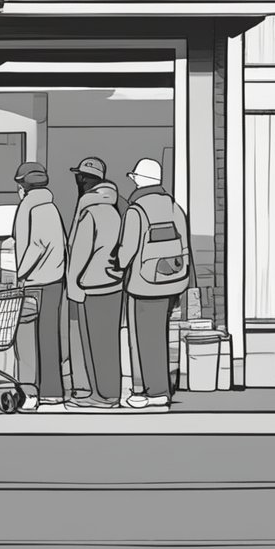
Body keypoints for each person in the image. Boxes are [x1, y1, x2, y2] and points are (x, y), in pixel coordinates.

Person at [114, 158, 191, 410]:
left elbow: (127, 251)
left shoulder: (136, 210)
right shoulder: (174, 207)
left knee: (140, 340)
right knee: (160, 337)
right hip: (172, 281)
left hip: (143, 285)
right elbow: (185, 247)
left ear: (139, 180)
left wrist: (116, 264)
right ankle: (161, 390)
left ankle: (144, 392)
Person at [65, 157, 125, 409]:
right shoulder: (113, 209)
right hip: (113, 284)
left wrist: (72, 284)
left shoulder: (89, 211)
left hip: (91, 285)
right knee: (108, 343)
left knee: (94, 343)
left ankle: (103, 396)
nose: (78, 180)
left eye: (80, 177)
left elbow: (79, 252)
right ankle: (109, 392)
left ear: (88, 181)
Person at [11, 162, 67, 411]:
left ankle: (31, 393)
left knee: (28, 340)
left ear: (24, 185)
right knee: (47, 338)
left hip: (37, 283)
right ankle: (51, 392)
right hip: (52, 281)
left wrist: (19, 274)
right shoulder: (49, 207)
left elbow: (37, 245)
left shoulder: (35, 207)